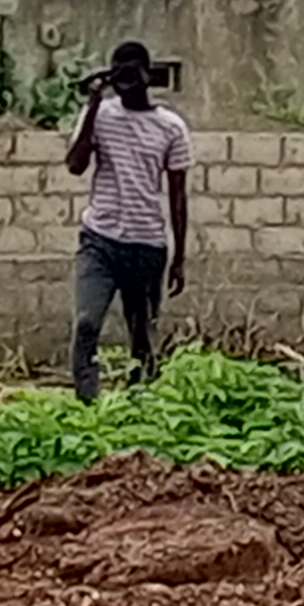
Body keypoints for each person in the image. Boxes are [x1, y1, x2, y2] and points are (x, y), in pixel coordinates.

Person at [64, 39, 190, 401]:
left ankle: (139, 407)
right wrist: (91, 104)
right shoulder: (100, 115)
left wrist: (179, 258)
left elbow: (178, 197)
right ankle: (86, 405)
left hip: (147, 246)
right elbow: (75, 165)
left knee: (142, 336)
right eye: (119, 70)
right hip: (99, 241)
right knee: (87, 323)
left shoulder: (171, 128)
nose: (127, 78)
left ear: (148, 75)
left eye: (133, 71)